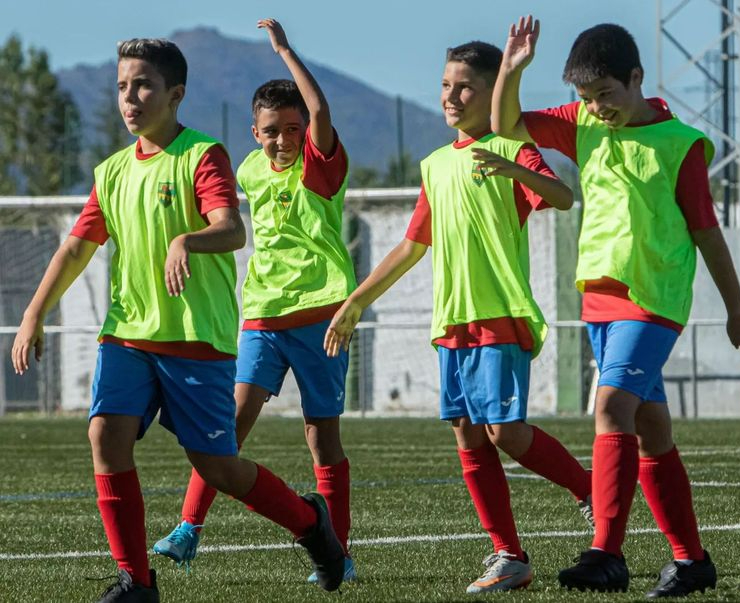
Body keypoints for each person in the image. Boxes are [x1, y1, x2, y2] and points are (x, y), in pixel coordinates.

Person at [10, 37, 345, 602]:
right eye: (121, 86)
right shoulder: (113, 170)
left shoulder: (201, 154)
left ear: (175, 94)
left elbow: (232, 229)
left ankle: (312, 524)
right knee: (104, 435)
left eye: (142, 85)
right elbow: (75, 248)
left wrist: (187, 240)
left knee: (219, 468)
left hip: (196, 339)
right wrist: (32, 314)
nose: (130, 97)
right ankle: (136, 582)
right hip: (128, 333)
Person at [491, 16, 740, 598]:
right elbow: (506, 125)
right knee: (650, 428)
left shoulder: (679, 144)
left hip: (653, 301)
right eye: (585, 98)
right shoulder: (583, 122)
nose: (596, 108)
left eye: (606, 95)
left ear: (637, 78)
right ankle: (692, 561)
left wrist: (737, 308)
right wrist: (511, 70)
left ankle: (605, 553)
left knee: (611, 408)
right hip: (599, 303)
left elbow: (708, 232)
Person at [324, 40, 593, 595]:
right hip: (452, 322)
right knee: (469, 437)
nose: (451, 95)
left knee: (506, 433)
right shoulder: (436, 164)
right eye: (446, 85)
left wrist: (512, 166)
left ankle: (591, 490)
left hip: (500, 312)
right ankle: (508, 556)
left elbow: (563, 198)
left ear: (492, 92)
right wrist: (355, 301)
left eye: (464, 86)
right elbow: (409, 245)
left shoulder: (513, 147)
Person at [153, 18, 358, 584]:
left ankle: (336, 550)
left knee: (322, 434)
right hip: (263, 314)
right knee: (227, 426)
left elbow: (319, 114)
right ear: (255, 132)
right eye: (271, 131)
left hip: (322, 316)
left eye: (292, 129)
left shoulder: (321, 165)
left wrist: (286, 51)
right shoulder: (247, 169)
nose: (283, 140)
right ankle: (189, 528)